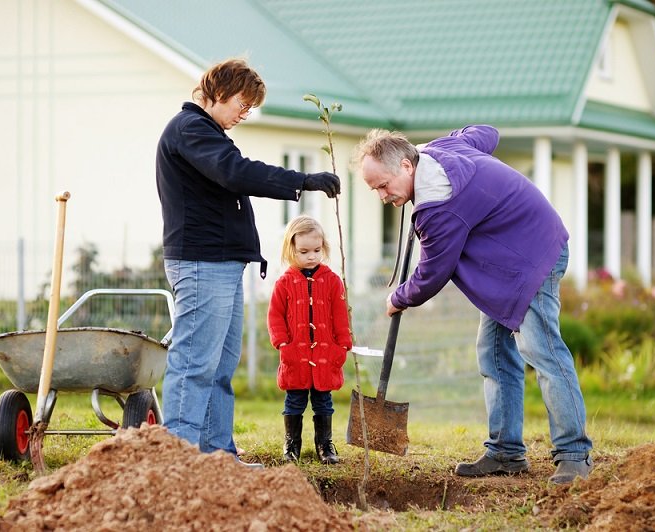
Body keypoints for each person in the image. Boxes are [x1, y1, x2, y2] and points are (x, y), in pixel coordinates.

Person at [354, 125, 593, 484]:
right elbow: (486, 133)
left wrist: (397, 298)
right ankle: (505, 452)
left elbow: (433, 273)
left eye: (384, 186)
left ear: (406, 166)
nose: (382, 196)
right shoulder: (439, 149)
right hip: (509, 265)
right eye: (375, 190)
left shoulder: (439, 206)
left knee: (543, 351)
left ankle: (575, 454)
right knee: (493, 350)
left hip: (535, 257)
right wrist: (455, 138)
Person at [155, 58, 340, 465]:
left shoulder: (206, 133)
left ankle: (217, 457)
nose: (245, 113)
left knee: (219, 366)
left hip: (220, 265)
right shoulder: (190, 130)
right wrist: (302, 180)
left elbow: (233, 174)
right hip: (202, 264)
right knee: (194, 362)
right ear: (218, 92)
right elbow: (237, 173)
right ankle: (178, 460)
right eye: (242, 103)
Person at [267, 215, 352, 464]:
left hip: (325, 355)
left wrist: (342, 344)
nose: (311, 256)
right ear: (291, 249)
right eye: (304, 251)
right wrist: (283, 343)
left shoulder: (333, 281)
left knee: (324, 402)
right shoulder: (284, 283)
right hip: (296, 356)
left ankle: (325, 445)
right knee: (294, 401)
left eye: (316, 250)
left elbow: (340, 315)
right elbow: (275, 316)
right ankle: (292, 443)